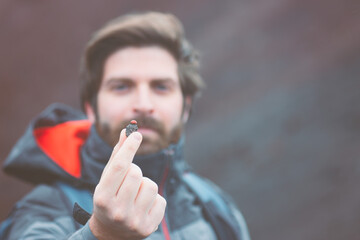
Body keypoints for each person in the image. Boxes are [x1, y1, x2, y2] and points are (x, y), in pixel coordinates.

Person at [1, 11, 250, 240]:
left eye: (161, 87)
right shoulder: (43, 210)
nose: (142, 104)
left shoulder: (214, 205)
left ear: (185, 107)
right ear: (91, 108)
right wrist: (101, 233)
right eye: (121, 86)